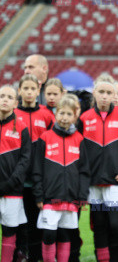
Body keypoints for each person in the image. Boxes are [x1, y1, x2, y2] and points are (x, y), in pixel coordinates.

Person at [79, 76, 118, 262]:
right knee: (98, 225)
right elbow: (80, 152)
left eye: (109, 93)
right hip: (94, 184)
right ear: (94, 94)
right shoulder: (84, 118)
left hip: (116, 183)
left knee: (115, 224)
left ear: (114, 95)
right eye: (101, 92)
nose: (105, 96)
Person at [32, 97, 90, 262]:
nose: (64, 117)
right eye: (61, 113)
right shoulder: (45, 137)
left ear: (75, 117)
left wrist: (82, 196)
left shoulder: (79, 139)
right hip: (50, 197)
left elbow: (84, 171)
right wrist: (39, 195)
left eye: (68, 114)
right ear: (56, 114)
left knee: (65, 234)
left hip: (71, 198)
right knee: (49, 234)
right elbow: (37, 169)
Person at [15, 74, 55, 262]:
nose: (29, 92)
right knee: (21, 221)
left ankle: (38, 257)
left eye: (33, 89)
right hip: (18, 177)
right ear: (20, 91)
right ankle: (21, 254)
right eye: (26, 88)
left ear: (38, 91)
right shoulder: (13, 114)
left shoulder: (47, 114)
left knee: (39, 219)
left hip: (41, 178)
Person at [0, 85, 31, 262]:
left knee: (9, 229)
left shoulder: (21, 127)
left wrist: (8, 184)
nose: (4, 99)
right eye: (1, 96)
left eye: (9, 97)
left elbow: (25, 160)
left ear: (15, 103)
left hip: (12, 190)